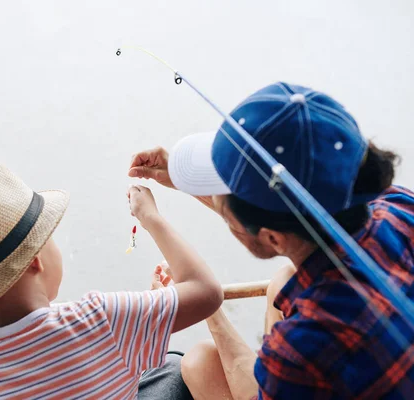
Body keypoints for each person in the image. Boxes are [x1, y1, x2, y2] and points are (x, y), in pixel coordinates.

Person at [129, 82, 414, 399]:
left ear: (273, 238)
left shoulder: (304, 346)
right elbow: (289, 218)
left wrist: (202, 302)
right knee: (278, 287)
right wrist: (181, 178)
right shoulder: (397, 206)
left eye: (222, 197)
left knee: (201, 362)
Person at [0, 162, 223, 399]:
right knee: (172, 368)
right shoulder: (100, 318)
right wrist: (150, 218)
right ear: (35, 261)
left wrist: (145, 312)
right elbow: (207, 291)